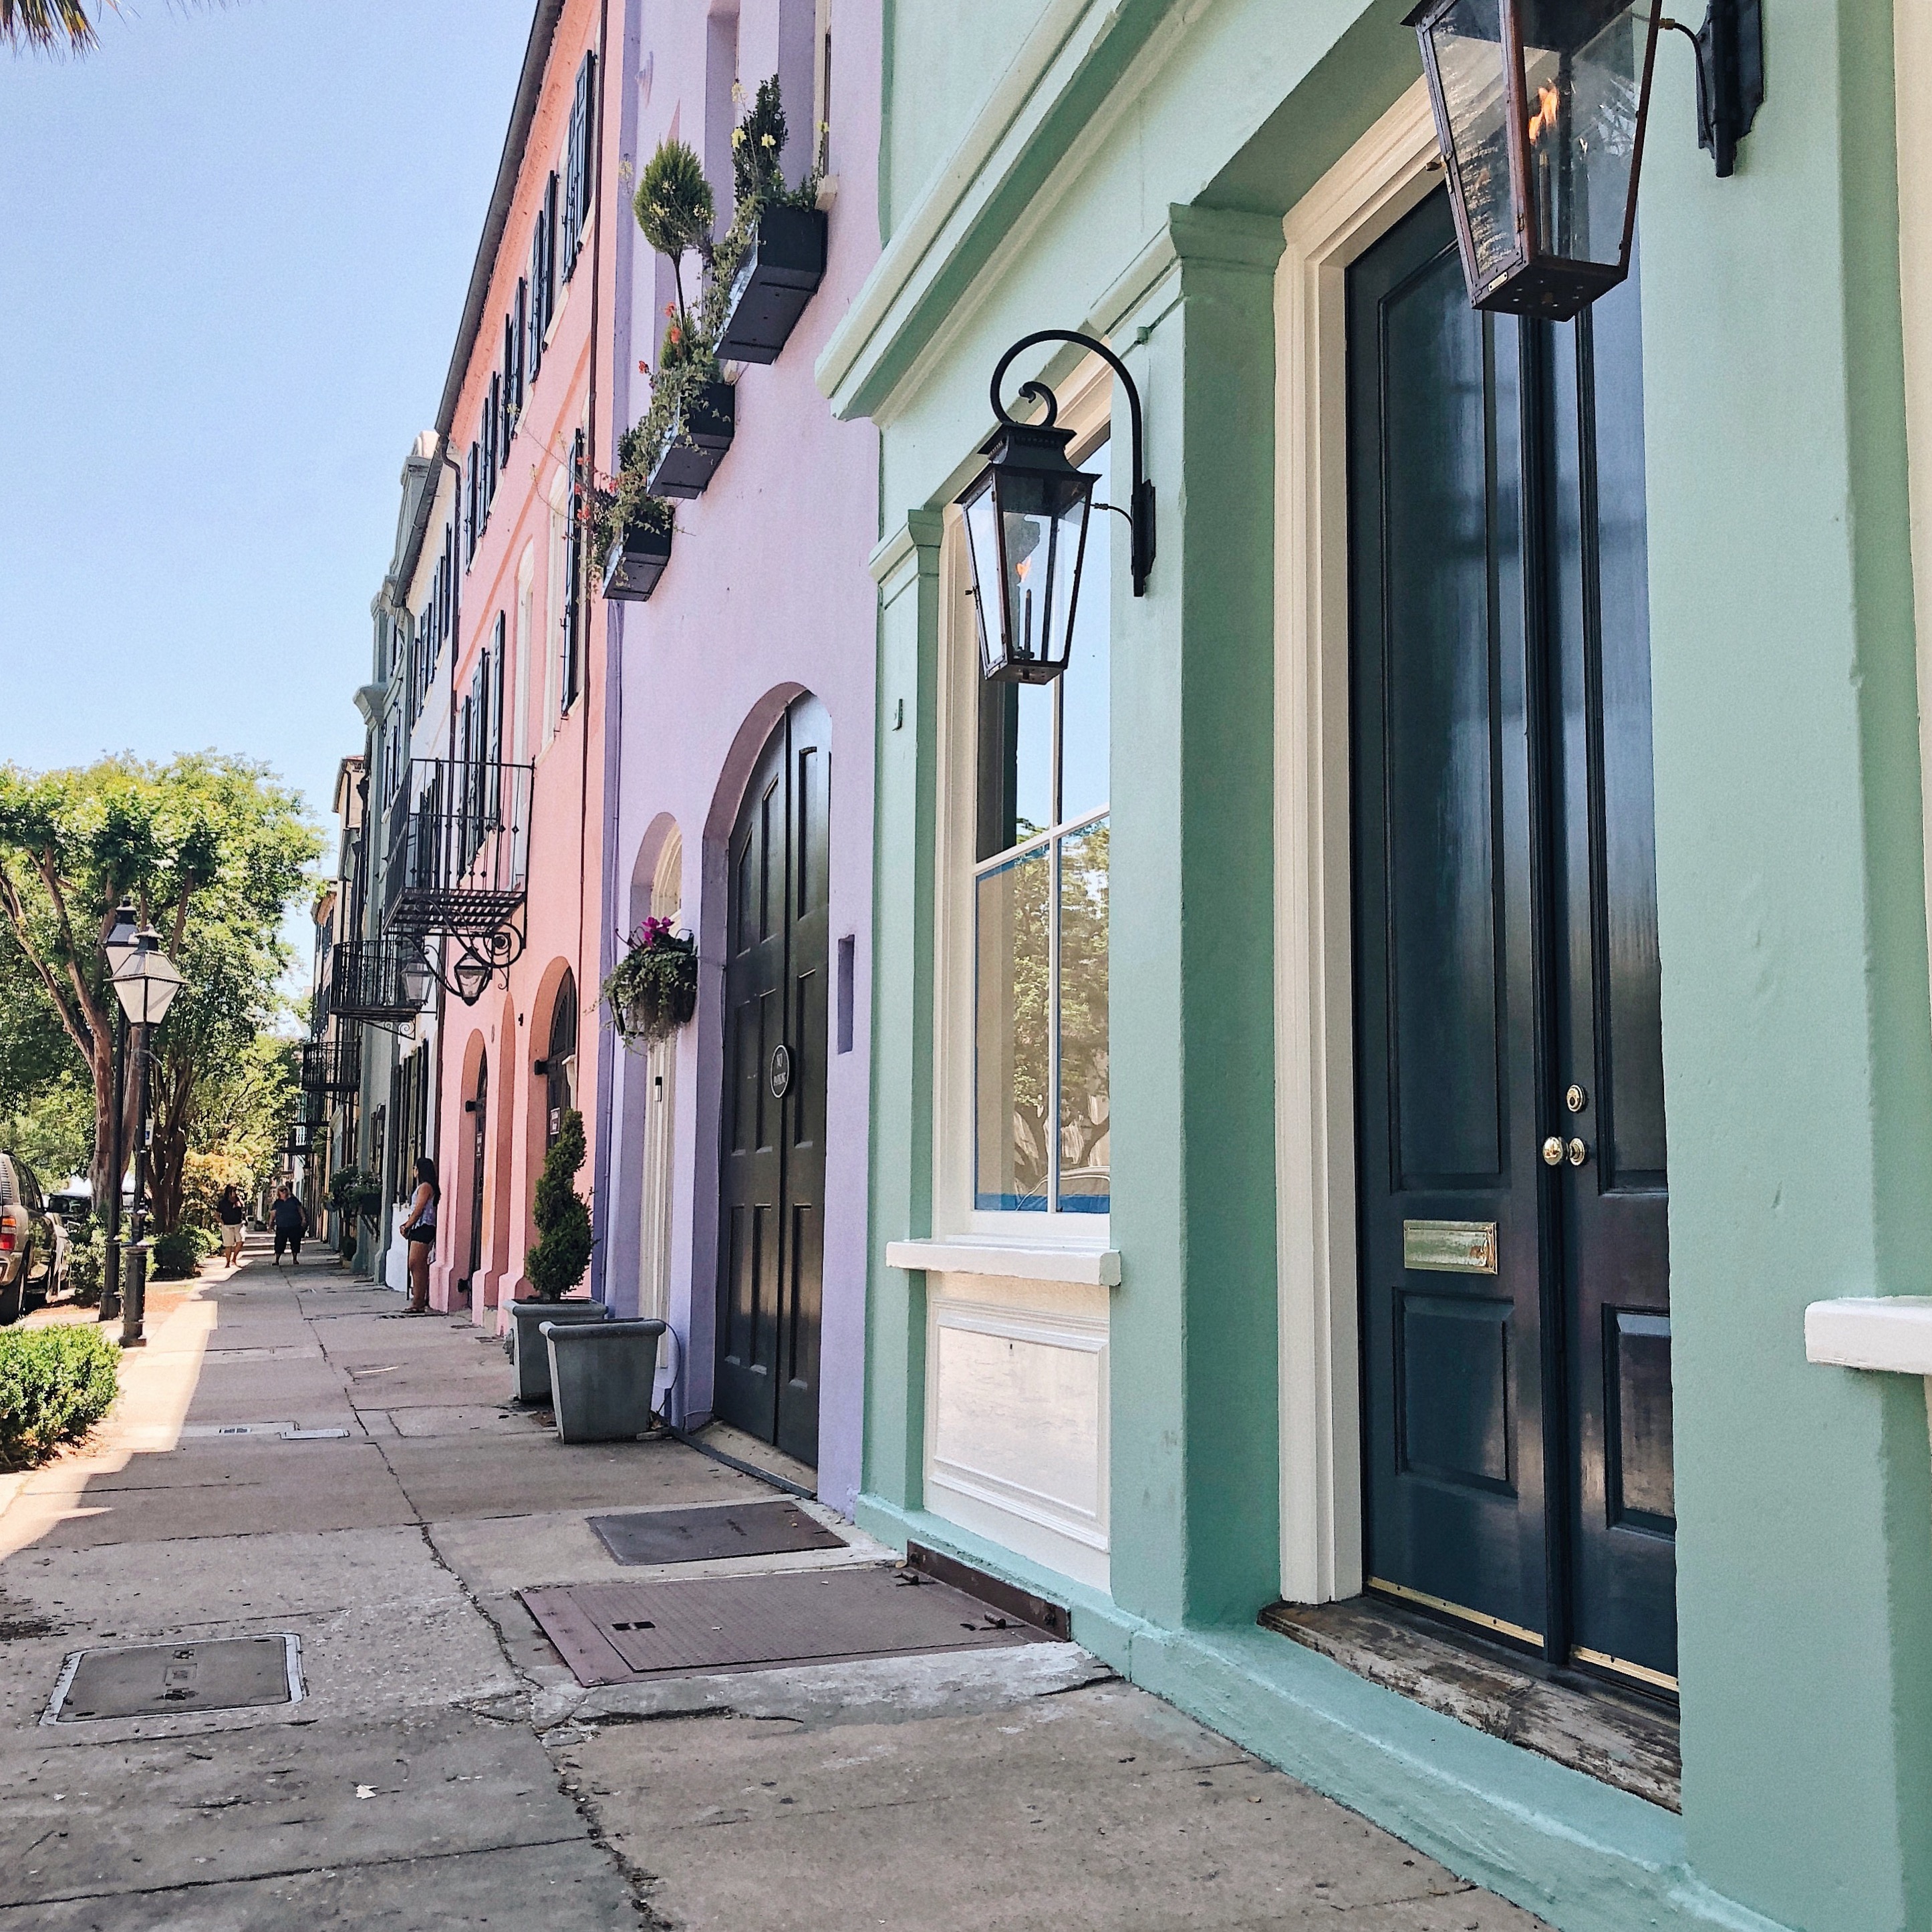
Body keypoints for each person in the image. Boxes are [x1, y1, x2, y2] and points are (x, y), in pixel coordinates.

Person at [399, 1156, 438, 1314]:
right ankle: (418, 1300)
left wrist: (407, 1225)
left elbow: (419, 1209)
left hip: (424, 1227)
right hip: (419, 1227)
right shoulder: (423, 1187)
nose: (413, 1171)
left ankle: (418, 1302)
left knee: (416, 1263)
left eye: (415, 1168)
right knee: (416, 1265)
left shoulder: (425, 1187)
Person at [270, 1184, 308, 1266]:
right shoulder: (277, 1203)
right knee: (279, 1243)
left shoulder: (294, 1200)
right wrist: (271, 1225)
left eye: (285, 1190)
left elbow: (300, 1210)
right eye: (281, 1190)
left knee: (295, 1242)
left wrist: (304, 1219)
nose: (283, 1191)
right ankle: (277, 1260)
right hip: (281, 1226)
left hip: (294, 1225)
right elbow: (273, 1215)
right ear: (278, 1193)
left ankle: (295, 1259)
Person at [215, 1184, 247, 1266]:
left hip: (238, 1224)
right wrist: (222, 1222)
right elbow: (217, 1214)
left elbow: (243, 1210)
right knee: (228, 1244)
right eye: (233, 1191)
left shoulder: (239, 1200)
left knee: (241, 1241)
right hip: (227, 1225)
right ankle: (228, 1262)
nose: (235, 1192)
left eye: (236, 1191)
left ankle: (234, 1258)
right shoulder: (223, 1202)